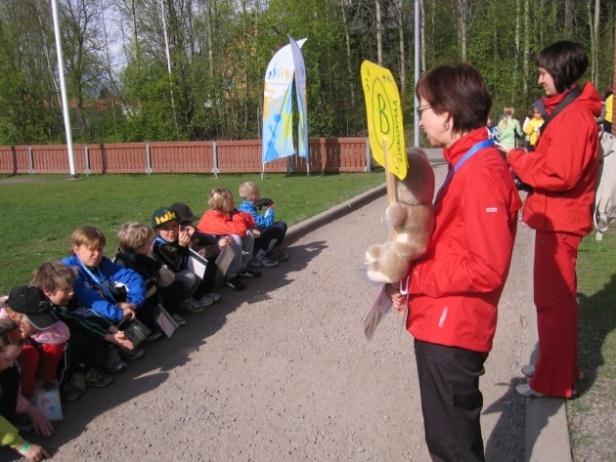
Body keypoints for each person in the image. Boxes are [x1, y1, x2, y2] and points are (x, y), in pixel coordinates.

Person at [388, 63, 521, 461]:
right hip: (443, 320)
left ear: (447, 114)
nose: (421, 119)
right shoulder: (466, 162)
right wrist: (409, 279)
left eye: (424, 109)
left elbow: (486, 266)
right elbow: (454, 245)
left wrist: (420, 279)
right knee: (446, 440)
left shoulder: (480, 171)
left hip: (454, 330)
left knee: (452, 447)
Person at [506, 41, 601, 398]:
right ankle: (555, 365)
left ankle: (553, 381)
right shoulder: (569, 112)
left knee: (553, 306)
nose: (540, 79)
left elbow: (560, 175)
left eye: (544, 73)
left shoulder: (574, 118)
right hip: (555, 220)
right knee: (553, 304)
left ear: (560, 74)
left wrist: (515, 159)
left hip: (561, 223)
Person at [31, 261, 126, 400]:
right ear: (48, 291)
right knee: (77, 340)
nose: (71, 292)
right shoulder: (47, 309)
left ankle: (93, 366)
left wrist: (112, 330)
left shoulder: (66, 300)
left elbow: (86, 315)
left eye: (71, 287)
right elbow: (79, 322)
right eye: (66, 289)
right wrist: (110, 336)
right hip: (54, 350)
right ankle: (62, 384)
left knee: (92, 327)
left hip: (73, 334)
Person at [62, 225, 147, 360]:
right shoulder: (70, 269)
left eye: (100, 249)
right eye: (92, 250)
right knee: (94, 316)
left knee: (142, 287)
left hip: (107, 308)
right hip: (80, 314)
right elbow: (88, 299)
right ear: (76, 249)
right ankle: (107, 355)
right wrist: (118, 312)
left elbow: (131, 277)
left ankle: (126, 342)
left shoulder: (102, 263)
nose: (97, 254)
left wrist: (132, 303)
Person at [115, 222, 190, 327]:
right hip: (144, 299)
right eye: (149, 243)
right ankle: (168, 316)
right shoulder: (142, 261)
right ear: (140, 246)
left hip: (132, 300)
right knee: (178, 286)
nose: (151, 245)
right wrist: (160, 268)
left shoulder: (119, 258)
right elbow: (168, 279)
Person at [150, 207, 221, 308]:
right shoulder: (159, 245)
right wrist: (182, 246)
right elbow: (179, 264)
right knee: (190, 276)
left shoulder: (176, 236)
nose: (171, 231)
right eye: (166, 228)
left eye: (174, 226)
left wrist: (192, 236)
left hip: (177, 272)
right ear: (157, 231)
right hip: (167, 280)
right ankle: (184, 300)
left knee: (202, 264)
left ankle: (197, 294)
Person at [0, 318, 49, 461]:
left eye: (13, 359)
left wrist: (30, 409)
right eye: (8, 359)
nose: (10, 364)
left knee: (12, 373)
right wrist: (22, 446)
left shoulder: (8, 368)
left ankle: (9, 426)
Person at [197, 188, 260, 290]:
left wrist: (235, 214)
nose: (234, 202)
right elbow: (240, 229)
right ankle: (230, 276)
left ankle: (242, 269)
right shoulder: (211, 216)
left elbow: (250, 220)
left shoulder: (228, 212)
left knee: (249, 234)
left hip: (221, 243)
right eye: (231, 201)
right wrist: (237, 216)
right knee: (235, 238)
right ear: (223, 204)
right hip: (211, 249)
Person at [238, 181, 288, 265]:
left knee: (281, 224)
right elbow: (267, 223)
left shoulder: (246, 206)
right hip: (253, 240)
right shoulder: (248, 211)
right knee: (280, 227)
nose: (260, 195)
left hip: (255, 234)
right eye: (259, 193)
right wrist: (270, 208)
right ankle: (259, 254)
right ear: (254, 196)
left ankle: (269, 250)